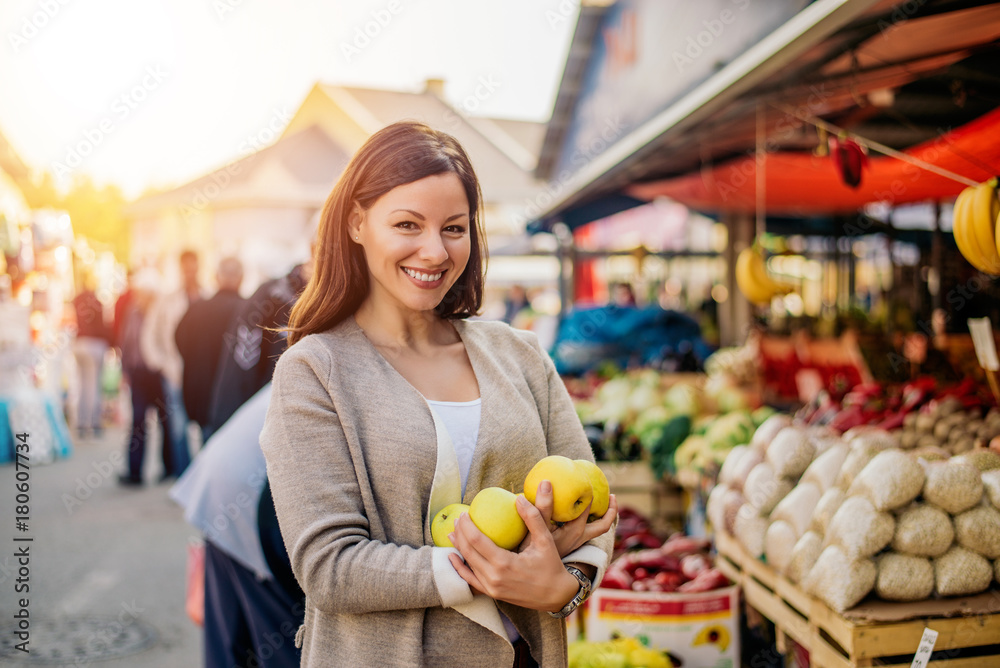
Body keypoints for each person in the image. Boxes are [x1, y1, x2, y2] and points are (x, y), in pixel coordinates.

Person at [259, 122, 617, 668]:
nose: (434, 250)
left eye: (454, 228)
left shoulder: (519, 355)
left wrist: (564, 586)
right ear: (357, 222)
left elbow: (594, 512)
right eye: (407, 224)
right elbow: (329, 567)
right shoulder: (314, 372)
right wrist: (493, 572)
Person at [142, 250, 205, 478]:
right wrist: (161, 365)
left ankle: (202, 475)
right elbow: (150, 335)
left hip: (202, 374)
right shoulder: (167, 300)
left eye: (193, 266)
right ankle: (184, 476)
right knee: (179, 427)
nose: (190, 272)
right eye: (185, 267)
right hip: (175, 371)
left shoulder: (206, 296)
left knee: (204, 424)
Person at [175, 257, 245, 443]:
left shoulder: (198, 309)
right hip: (237, 400)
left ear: (216, 277)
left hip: (201, 394)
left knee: (207, 448)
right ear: (241, 278)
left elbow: (179, 339)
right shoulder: (248, 310)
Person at [118, 268, 175, 486]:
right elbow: (126, 342)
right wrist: (125, 371)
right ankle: (134, 472)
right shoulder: (131, 312)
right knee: (138, 422)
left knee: (165, 421)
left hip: (158, 374)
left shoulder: (162, 311)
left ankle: (169, 467)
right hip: (138, 373)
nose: (142, 297)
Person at [72, 276, 111, 438]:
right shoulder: (96, 302)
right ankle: (94, 423)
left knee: (83, 385)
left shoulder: (77, 300)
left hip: (79, 344)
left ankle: (81, 423)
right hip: (93, 344)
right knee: (93, 385)